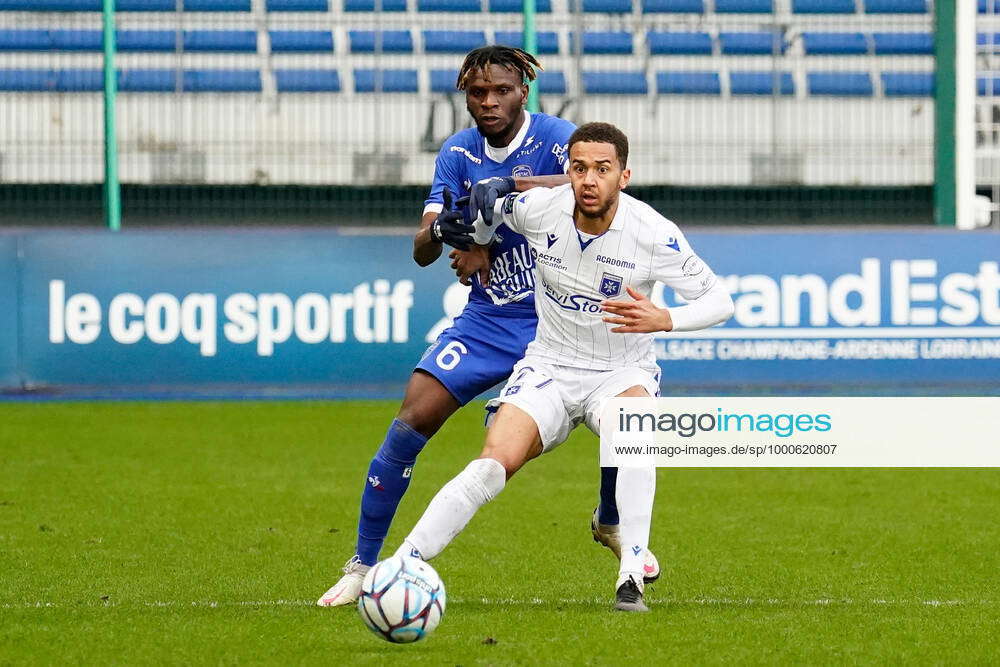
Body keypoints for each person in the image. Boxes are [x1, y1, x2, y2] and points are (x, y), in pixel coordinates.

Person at [317, 48, 659, 607]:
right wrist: (452, 232)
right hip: (488, 319)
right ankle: (363, 564)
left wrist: (502, 196)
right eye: (478, 93)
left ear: (524, 90)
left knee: (624, 409)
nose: (489, 102)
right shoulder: (456, 152)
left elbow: (587, 191)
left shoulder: (557, 137)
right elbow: (423, 246)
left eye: (501, 90)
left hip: (561, 323)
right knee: (411, 419)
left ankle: (613, 519)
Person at [389, 122, 735, 612]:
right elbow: (490, 209)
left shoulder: (654, 233)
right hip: (549, 365)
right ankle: (402, 565)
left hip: (621, 370)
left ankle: (630, 578)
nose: (589, 180)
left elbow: (720, 300)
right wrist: (480, 241)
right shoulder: (540, 209)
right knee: (491, 466)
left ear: (624, 175)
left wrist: (666, 318)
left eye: (602, 169)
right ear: (566, 173)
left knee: (638, 434)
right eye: (578, 168)